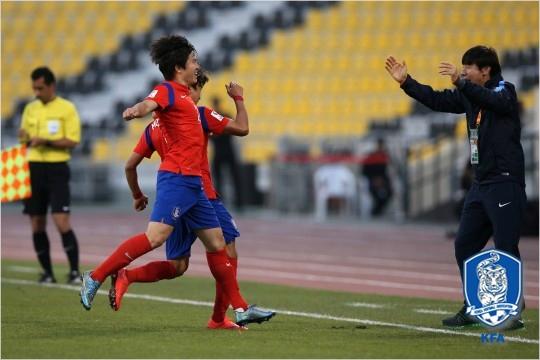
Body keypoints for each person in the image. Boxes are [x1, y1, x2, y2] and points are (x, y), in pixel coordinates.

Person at [79, 35, 274, 327]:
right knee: (156, 238)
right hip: (177, 180)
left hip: (196, 185)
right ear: (179, 68)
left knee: (217, 244)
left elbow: (132, 162)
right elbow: (149, 103)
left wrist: (137, 194)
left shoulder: (190, 103)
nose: (198, 66)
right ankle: (95, 276)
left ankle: (240, 309)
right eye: (193, 61)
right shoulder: (169, 91)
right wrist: (136, 110)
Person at [385, 46, 526, 329]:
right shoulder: (470, 95)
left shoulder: (505, 91)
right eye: (462, 69)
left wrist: (462, 84)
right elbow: (437, 100)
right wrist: (406, 82)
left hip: (504, 181)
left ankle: (510, 310)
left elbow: (493, 102)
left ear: (485, 70)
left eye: (468, 68)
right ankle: (476, 304)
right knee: (465, 245)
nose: (462, 73)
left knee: (505, 246)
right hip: (482, 184)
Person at [112, 70, 251, 330]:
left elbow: (130, 165)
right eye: (196, 90)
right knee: (227, 250)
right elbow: (243, 128)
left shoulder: (154, 127)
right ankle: (220, 318)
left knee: (177, 266)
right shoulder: (200, 114)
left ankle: (127, 274)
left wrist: (137, 195)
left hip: (174, 194)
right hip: (201, 195)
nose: (196, 96)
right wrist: (239, 99)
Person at [18, 66, 82, 284]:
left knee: (61, 220)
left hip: (57, 168)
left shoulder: (67, 108)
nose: (36, 92)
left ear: (51, 86)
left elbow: (73, 141)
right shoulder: (30, 109)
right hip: (33, 167)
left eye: (40, 88)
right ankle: (47, 273)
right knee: (36, 222)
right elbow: (24, 138)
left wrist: (44, 140)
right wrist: (25, 138)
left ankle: (74, 272)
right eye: (34, 88)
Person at [210, 96, 244, 211]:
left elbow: (212, 135)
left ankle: (235, 202)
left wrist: (215, 134)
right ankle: (235, 202)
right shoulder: (225, 116)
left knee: (226, 178)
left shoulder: (215, 118)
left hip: (224, 151)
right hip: (225, 151)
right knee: (227, 178)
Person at [362, 138, 393, 216]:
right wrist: (374, 179)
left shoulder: (385, 156)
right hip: (372, 180)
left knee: (389, 192)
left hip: (383, 181)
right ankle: (376, 211)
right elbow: (364, 171)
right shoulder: (371, 156)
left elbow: (387, 170)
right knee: (375, 193)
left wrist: (382, 180)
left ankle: (378, 210)